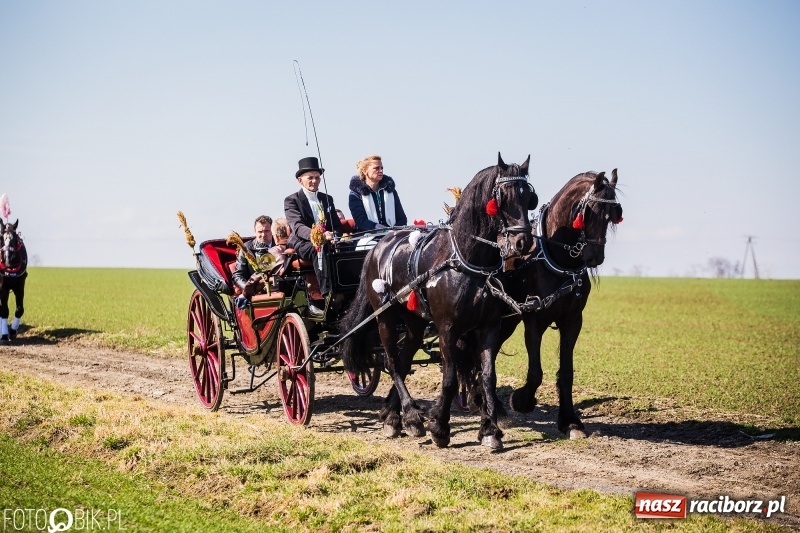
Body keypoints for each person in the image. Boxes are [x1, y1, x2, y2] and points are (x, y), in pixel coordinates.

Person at [284, 157, 344, 317]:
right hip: (302, 241)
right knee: (319, 248)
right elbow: (297, 226)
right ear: (300, 180)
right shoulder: (292, 201)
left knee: (347, 248)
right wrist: (317, 236)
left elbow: (337, 226)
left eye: (317, 177)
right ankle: (326, 295)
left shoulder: (327, 199)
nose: (314, 181)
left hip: (328, 240)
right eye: (310, 177)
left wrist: (334, 235)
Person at [348, 155, 408, 232]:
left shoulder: (391, 191)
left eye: (381, 168)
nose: (380, 171)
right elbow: (361, 221)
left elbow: (402, 218)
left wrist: (394, 231)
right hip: (367, 235)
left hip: (392, 234)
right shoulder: (355, 194)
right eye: (376, 168)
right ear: (365, 171)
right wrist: (379, 229)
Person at [232, 215, 274, 299]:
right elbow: (238, 275)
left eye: (266, 231)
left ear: (272, 231)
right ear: (255, 232)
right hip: (255, 292)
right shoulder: (246, 249)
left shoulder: (279, 246)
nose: (263, 235)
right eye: (260, 232)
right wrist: (248, 289)